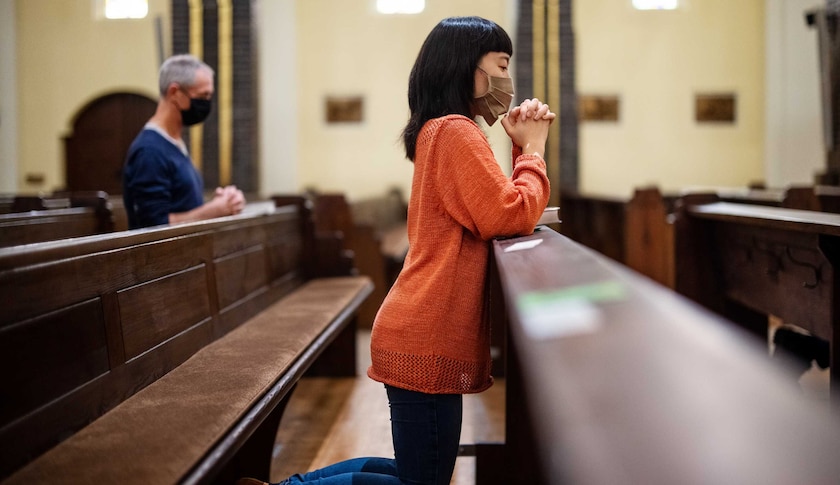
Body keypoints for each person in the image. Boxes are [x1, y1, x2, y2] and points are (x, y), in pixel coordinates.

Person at [239, 16, 554, 485]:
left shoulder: (444, 130)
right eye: (501, 65)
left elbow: (497, 206)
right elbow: (507, 215)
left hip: (422, 327)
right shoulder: (455, 132)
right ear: (467, 66)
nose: (507, 81)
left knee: (419, 474)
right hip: (426, 331)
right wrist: (534, 150)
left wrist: (518, 150)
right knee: (422, 482)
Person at [122, 54, 245, 229]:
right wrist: (212, 211)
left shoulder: (174, 142)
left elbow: (183, 206)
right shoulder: (149, 151)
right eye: (202, 96)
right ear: (175, 93)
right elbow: (152, 227)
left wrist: (222, 203)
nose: (206, 104)